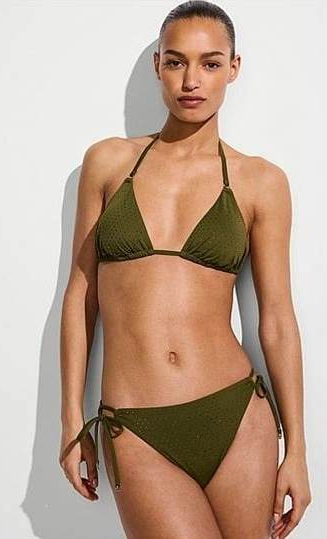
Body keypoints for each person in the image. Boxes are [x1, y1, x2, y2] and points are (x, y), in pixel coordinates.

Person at [58, 1, 311, 537]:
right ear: (158, 66)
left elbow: (277, 321)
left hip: (236, 416)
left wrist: (298, 450)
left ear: (233, 69)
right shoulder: (108, 163)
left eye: (210, 63)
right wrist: (70, 420)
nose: (191, 80)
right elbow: (81, 297)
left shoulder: (261, 181)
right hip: (136, 426)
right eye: (176, 62)